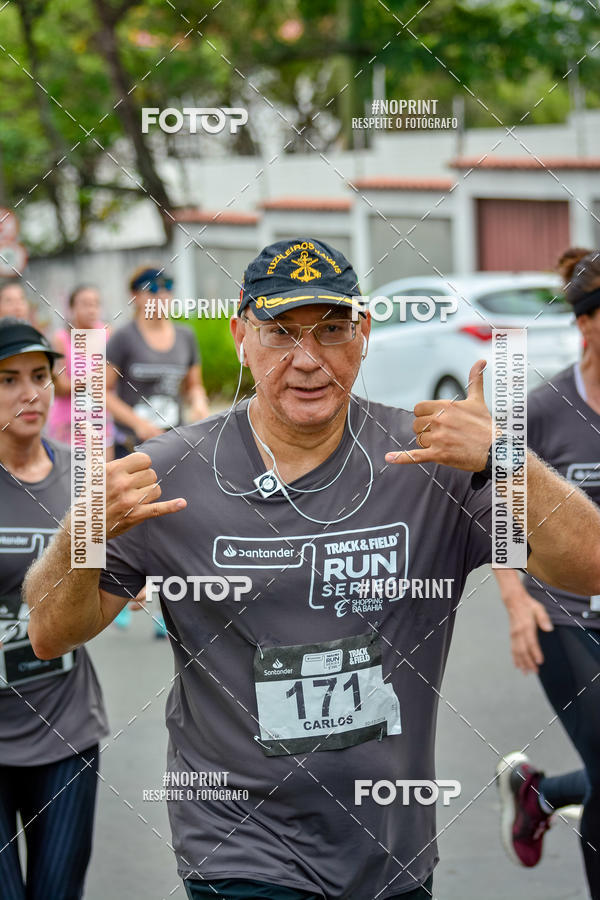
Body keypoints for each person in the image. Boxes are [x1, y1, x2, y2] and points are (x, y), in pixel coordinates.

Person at [24, 238, 600, 900]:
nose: (307, 360)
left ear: (364, 334)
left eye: (331, 330)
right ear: (241, 335)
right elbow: (52, 635)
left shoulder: (433, 462)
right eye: (280, 333)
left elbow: (587, 567)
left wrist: (504, 456)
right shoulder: (170, 472)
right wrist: (84, 532)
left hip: (391, 854)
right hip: (239, 850)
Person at [494, 246, 600, 899]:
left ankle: (539, 793)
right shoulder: (544, 409)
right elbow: (499, 511)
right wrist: (513, 600)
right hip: (563, 616)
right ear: (587, 324)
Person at [0, 317, 109, 900]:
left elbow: (112, 574)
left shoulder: (83, 477)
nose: (28, 394)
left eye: (40, 376)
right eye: (8, 379)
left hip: (63, 730)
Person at [106, 265, 209, 635]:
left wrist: (199, 404)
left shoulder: (185, 336)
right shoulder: (123, 338)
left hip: (173, 443)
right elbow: (103, 393)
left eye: (166, 288)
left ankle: (166, 608)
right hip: (134, 445)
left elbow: (193, 386)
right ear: (135, 296)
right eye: (151, 289)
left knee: (172, 521)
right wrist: (137, 424)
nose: (159, 296)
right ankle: (116, 592)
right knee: (130, 521)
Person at [46, 284, 115, 459]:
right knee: (72, 481)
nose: (91, 309)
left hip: (101, 420)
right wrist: (94, 377)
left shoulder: (107, 333)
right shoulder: (61, 338)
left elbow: (112, 380)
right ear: (71, 308)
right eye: (85, 304)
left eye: (95, 304)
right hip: (68, 424)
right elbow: (60, 386)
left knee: (105, 478)